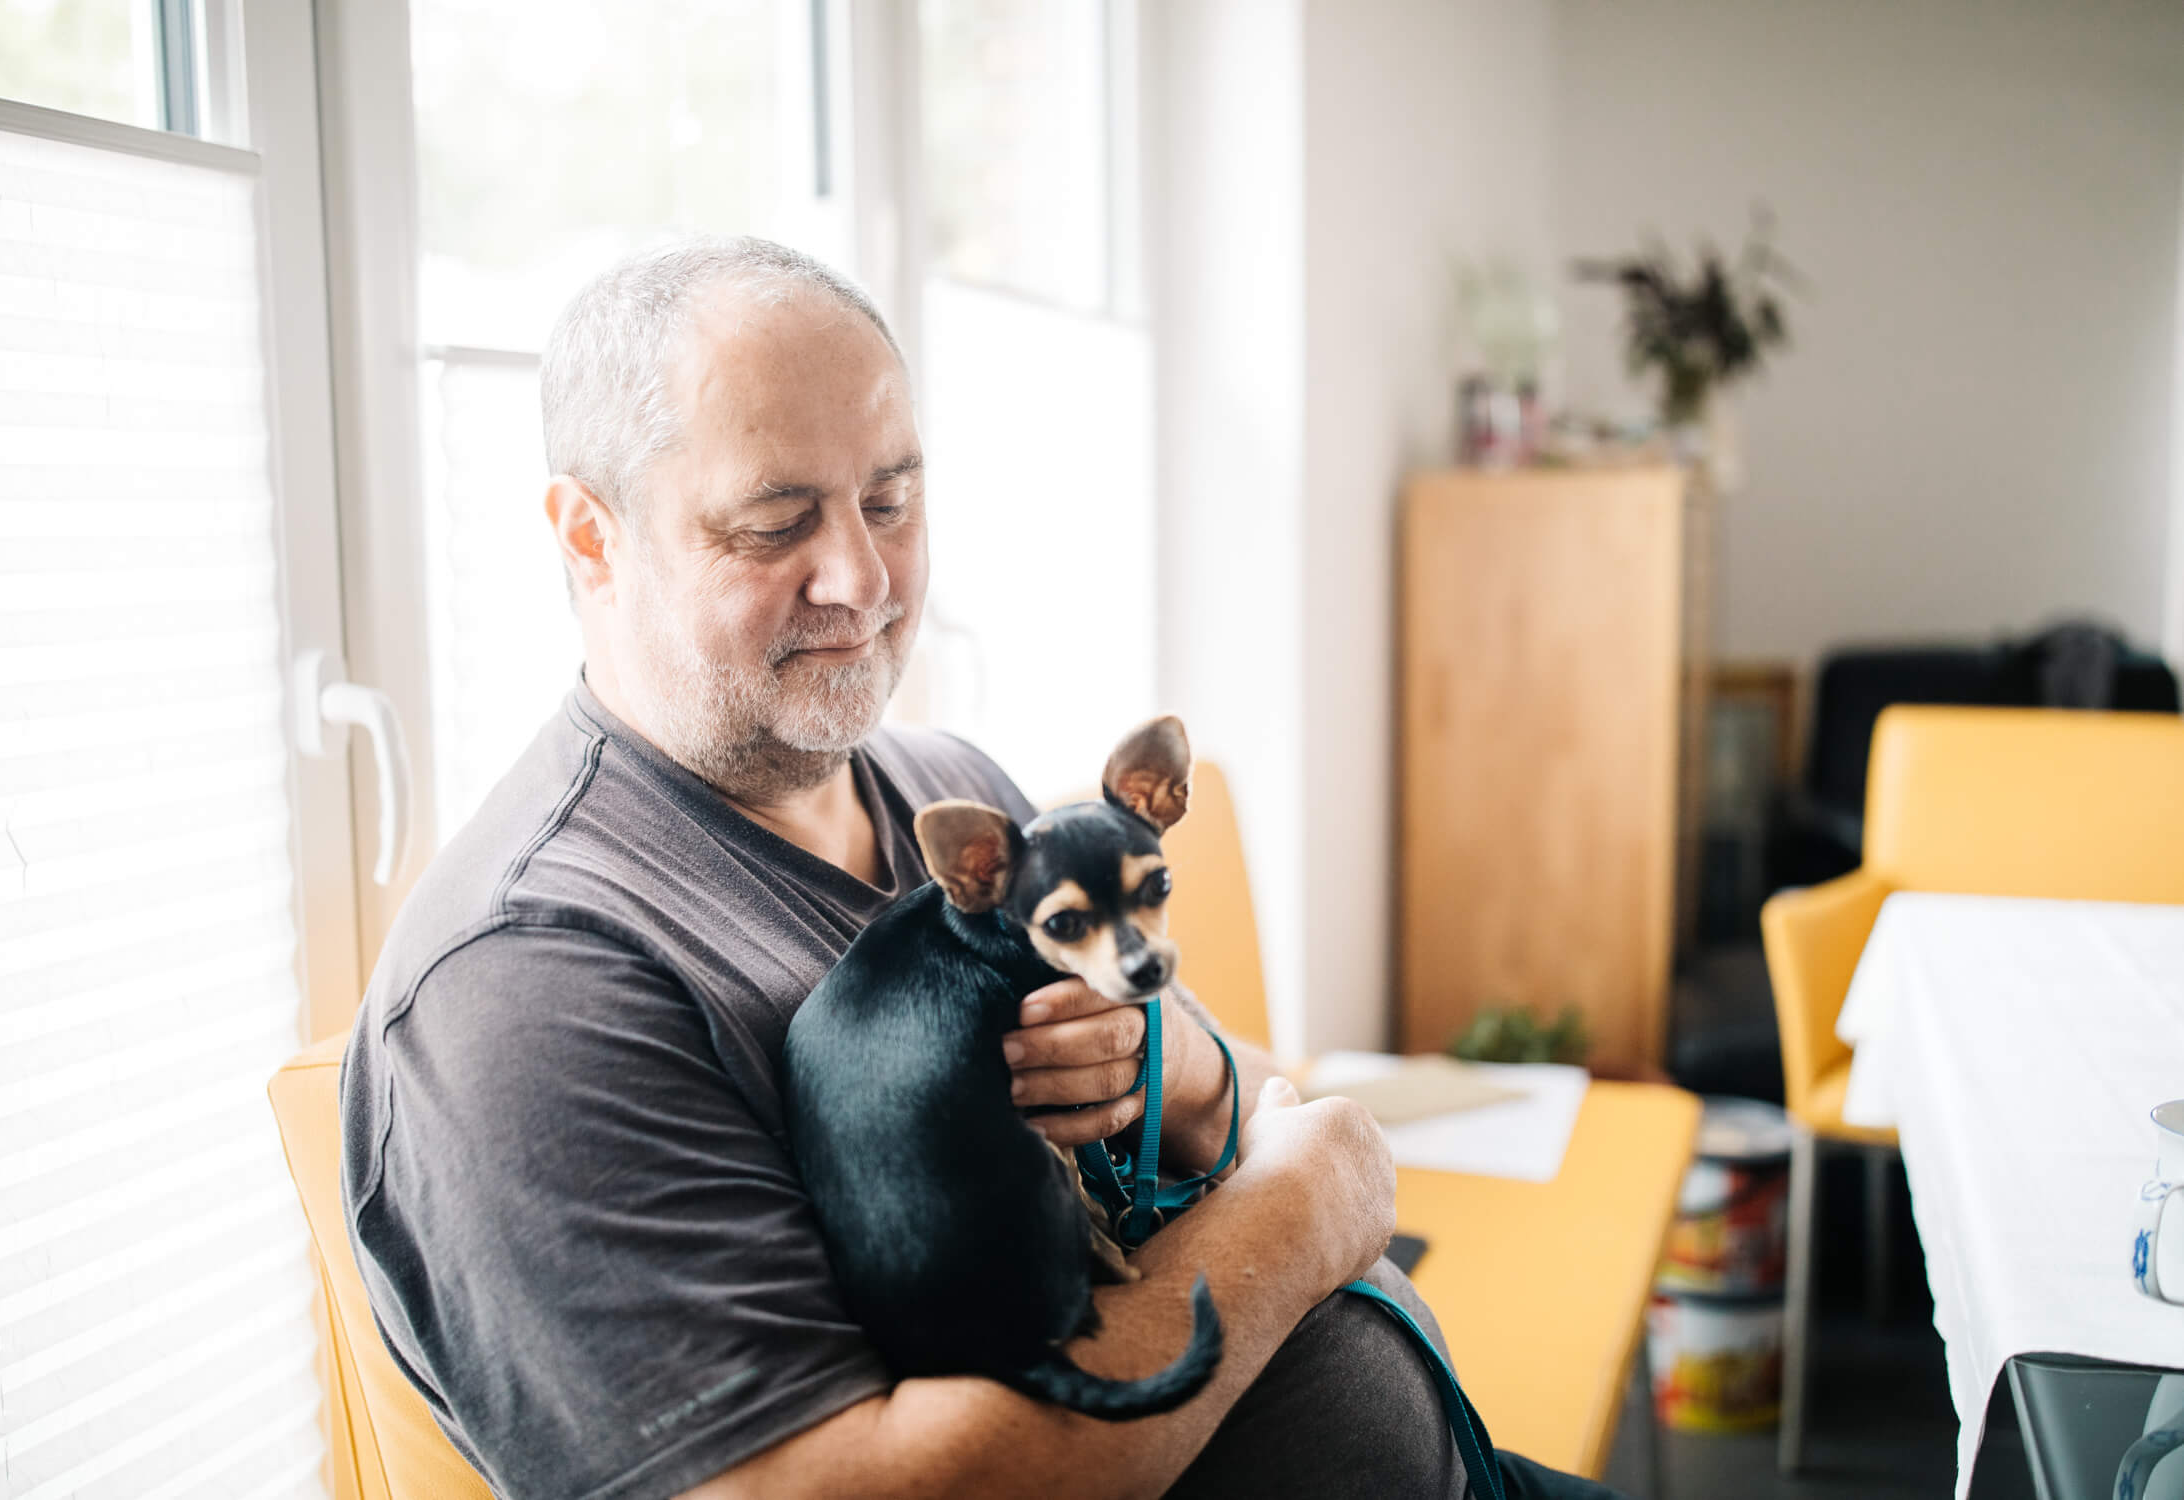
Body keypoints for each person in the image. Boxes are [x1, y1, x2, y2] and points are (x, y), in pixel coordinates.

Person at [340, 237, 1625, 1500]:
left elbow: (1219, 1107)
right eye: (775, 523)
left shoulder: (946, 791)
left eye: (891, 501)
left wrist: (1170, 1064)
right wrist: (1305, 1216)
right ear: (589, 536)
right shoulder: (523, 988)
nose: (862, 578)